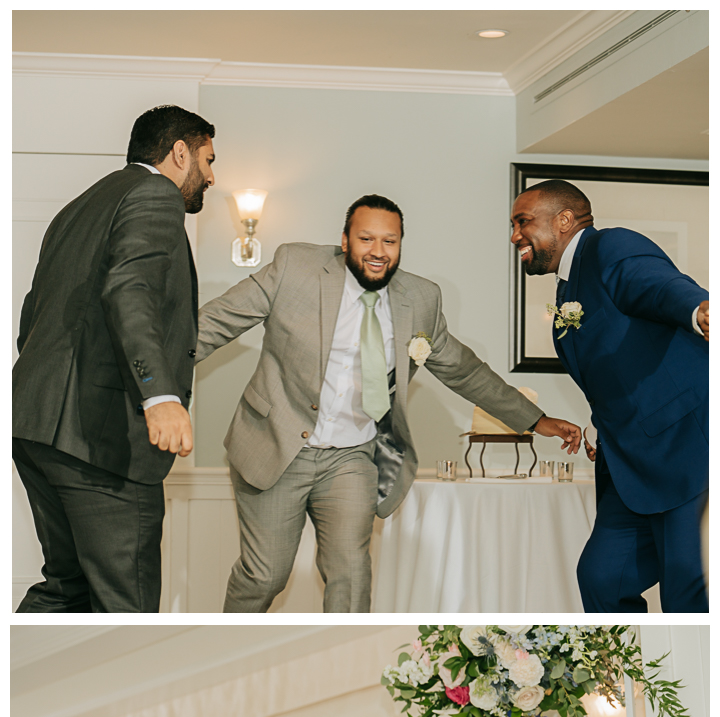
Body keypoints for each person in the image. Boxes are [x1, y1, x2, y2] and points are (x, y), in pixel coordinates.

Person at [196, 194, 582, 612]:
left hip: (352, 457)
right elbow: (217, 321)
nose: (378, 252)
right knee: (265, 575)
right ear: (345, 240)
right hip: (277, 444)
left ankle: (341, 666)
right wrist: (153, 388)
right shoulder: (295, 268)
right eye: (366, 239)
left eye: (390, 241)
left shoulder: (420, 299)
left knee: (351, 575)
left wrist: (536, 420)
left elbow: (464, 370)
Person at [13, 105, 216, 612]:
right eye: (209, 160)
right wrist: (160, 394)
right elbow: (128, 289)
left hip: (37, 430)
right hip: (100, 441)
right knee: (128, 604)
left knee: (68, 587)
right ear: (179, 152)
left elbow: (32, 318)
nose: (211, 176)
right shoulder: (154, 194)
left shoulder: (79, 207)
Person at [511, 179, 709, 613]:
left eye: (522, 222)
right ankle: (628, 675)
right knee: (602, 577)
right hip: (629, 464)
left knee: (686, 589)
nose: (514, 236)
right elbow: (620, 365)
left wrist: (696, 309)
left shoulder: (610, 247)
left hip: (684, 451)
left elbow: (654, 285)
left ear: (564, 220)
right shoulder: (568, 286)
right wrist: (602, 426)